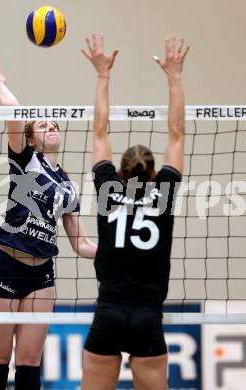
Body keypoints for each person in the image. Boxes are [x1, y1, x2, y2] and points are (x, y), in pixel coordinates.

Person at [0, 56, 97, 390]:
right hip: (5, 265)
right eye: (44, 126)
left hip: (41, 274)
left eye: (55, 125)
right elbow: (14, 114)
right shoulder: (25, 161)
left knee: (30, 363)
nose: (52, 128)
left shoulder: (69, 185)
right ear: (30, 140)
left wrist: (118, 253)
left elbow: (81, 244)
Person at [81, 34, 189, 390]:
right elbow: (177, 135)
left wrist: (102, 76)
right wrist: (174, 76)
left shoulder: (108, 190)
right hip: (147, 316)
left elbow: (99, 131)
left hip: (108, 312)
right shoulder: (164, 193)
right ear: (154, 173)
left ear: (120, 172)